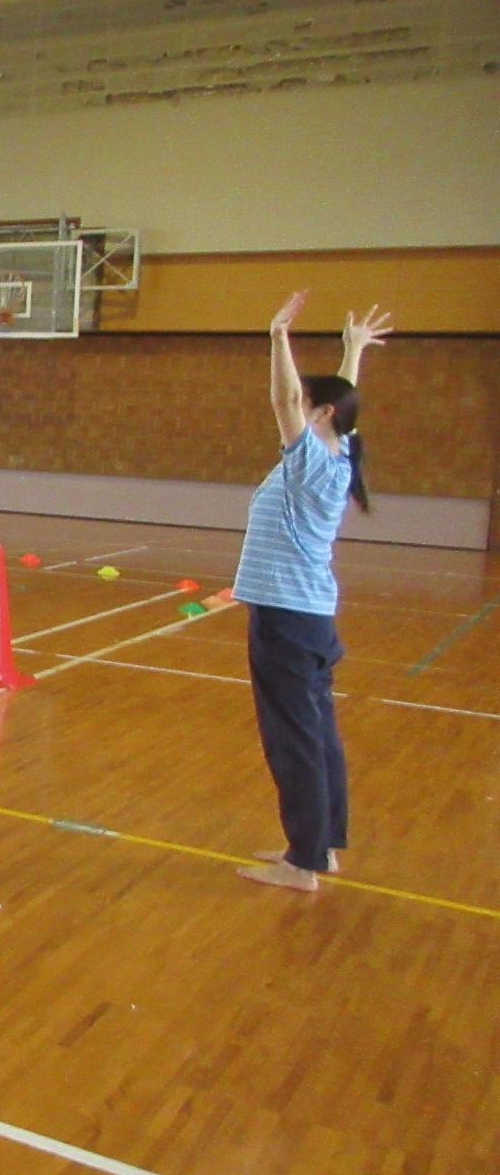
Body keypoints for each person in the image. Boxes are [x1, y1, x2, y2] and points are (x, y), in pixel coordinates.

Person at [235, 296, 390, 894]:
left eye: (308, 404)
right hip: (309, 619)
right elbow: (338, 401)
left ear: (321, 414)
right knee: (317, 734)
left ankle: (302, 863)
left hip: (287, 618)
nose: (295, 408)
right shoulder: (338, 451)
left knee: (293, 740)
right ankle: (319, 846)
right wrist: (352, 351)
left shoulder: (313, 465)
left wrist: (278, 336)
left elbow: (283, 400)